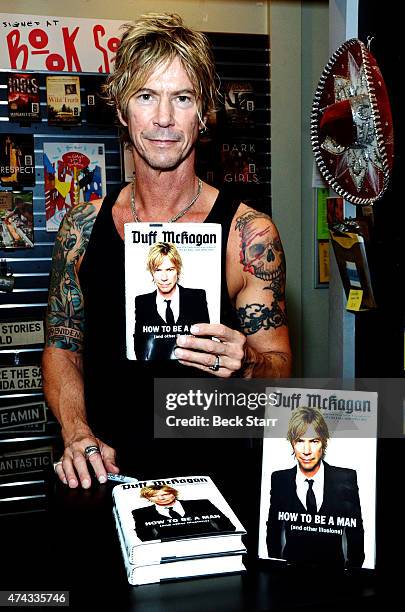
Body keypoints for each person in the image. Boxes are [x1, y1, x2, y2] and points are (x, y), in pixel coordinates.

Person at [43, 13, 291, 489]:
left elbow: (279, 370)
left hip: (218, 486)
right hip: (107, 478)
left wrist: (248, 366)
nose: (163, 118)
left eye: (182, 98)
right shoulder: (80, 227)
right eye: (145, 96)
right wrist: (76, 434)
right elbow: (62, 347)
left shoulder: (249, 235)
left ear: (203, 113)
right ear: (121, 109)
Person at [266, 407, 364, 568]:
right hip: (290, 572)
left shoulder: (345, 478)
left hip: (334, 573)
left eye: (314, 441)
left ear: (324, 442)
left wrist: (354, 573)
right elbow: (274, 529)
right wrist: (275, 569)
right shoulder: (280, 479)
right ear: (292, 443)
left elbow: (355, 530)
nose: (306, 451)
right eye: (300, 441)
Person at [134, 242, 210, 360]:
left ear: (178, 270)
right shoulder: (142, 302)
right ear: (152, 272)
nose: (164, 278)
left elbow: (206, 341)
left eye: (169, 269)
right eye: (158, 270)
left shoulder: (197, 297)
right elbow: (140, 344)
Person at [132, 484, 236, 541]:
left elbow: (226, 525)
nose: (161, 497)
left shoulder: (202, 504)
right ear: (148, 498)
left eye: (166, 494)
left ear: (173, 493)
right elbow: (144, 535)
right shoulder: (141, 513)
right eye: (154, 495)